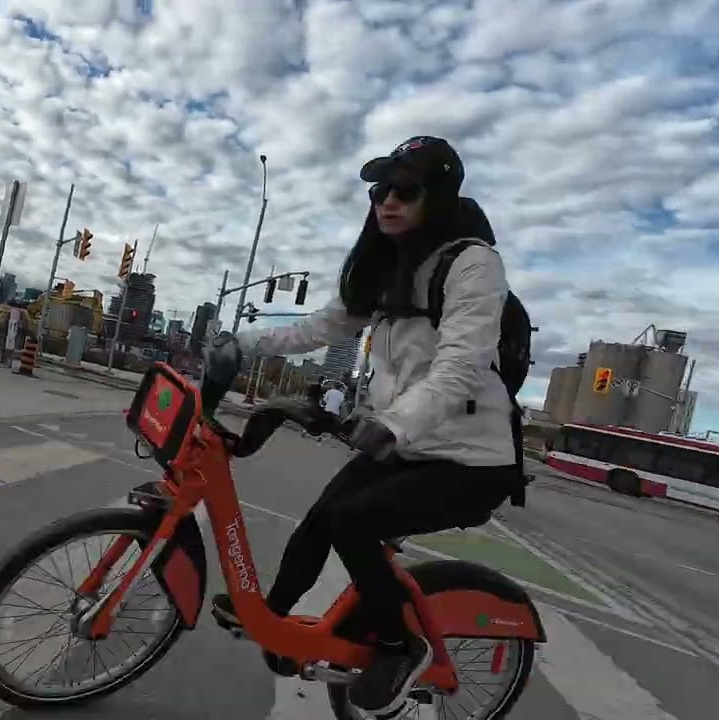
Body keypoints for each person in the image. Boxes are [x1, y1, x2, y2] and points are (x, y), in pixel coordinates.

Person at [208, 136, 523, 715]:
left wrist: (392, 425)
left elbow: (460, 366)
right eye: (381, 190)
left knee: (353, 522)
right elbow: (321, 327)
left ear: (441, 195)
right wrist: (240, 343)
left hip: (472, 461)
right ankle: (273, 624)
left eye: (406, 190)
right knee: (318, 521)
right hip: (411, 442)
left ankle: (401, 649)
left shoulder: (474, 264)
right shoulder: (389, 266)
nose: (388, 202)